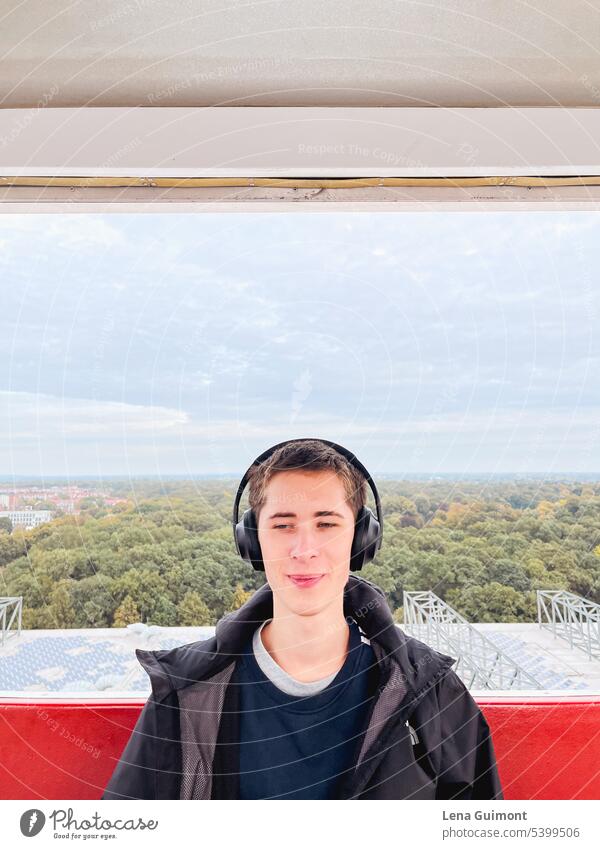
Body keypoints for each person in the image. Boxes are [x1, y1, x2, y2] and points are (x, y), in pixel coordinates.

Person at [102, 438, 504, 800]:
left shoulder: (429, 691)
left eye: (326, 524)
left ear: (362, 538)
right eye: (282, 525)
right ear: (252, 541)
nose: (304, 548)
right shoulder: (186, 692)